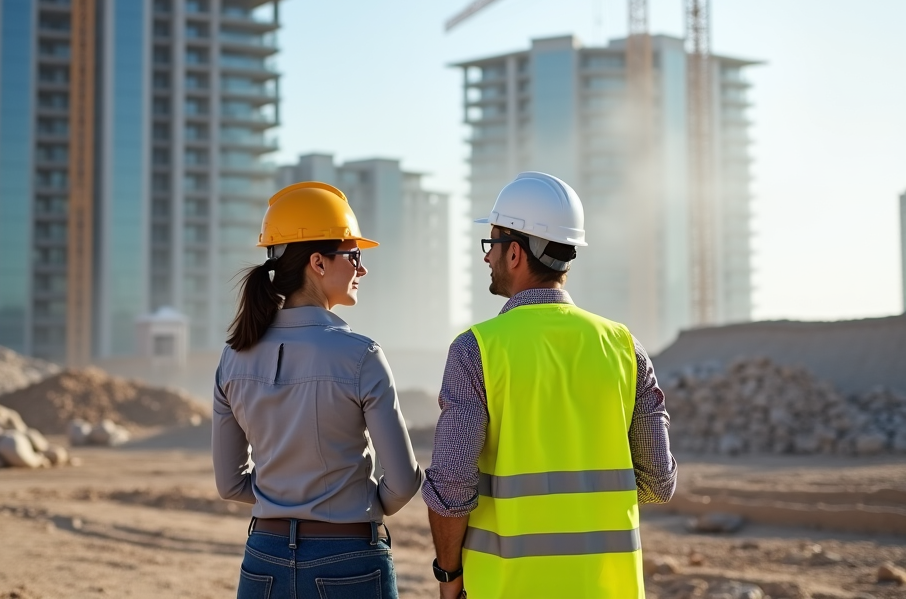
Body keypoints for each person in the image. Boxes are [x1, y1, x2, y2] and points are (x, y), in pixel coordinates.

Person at [424, 171, 678, 599]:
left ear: (516, 253)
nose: (486, 258)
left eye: (491, 244)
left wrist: (449, 577)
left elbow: (450, 487)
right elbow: (658, 481)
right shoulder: (623, 346)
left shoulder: (477, 350)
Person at [212, 181, 422, 599]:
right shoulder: (362, 356)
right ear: (318, 263)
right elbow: (402, 482)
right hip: (349, 559)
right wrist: (354, 507)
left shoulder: (233, 357)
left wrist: (283, 502)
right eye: (353, 255)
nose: (361, 269)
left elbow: (229, 485)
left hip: (263, 559)